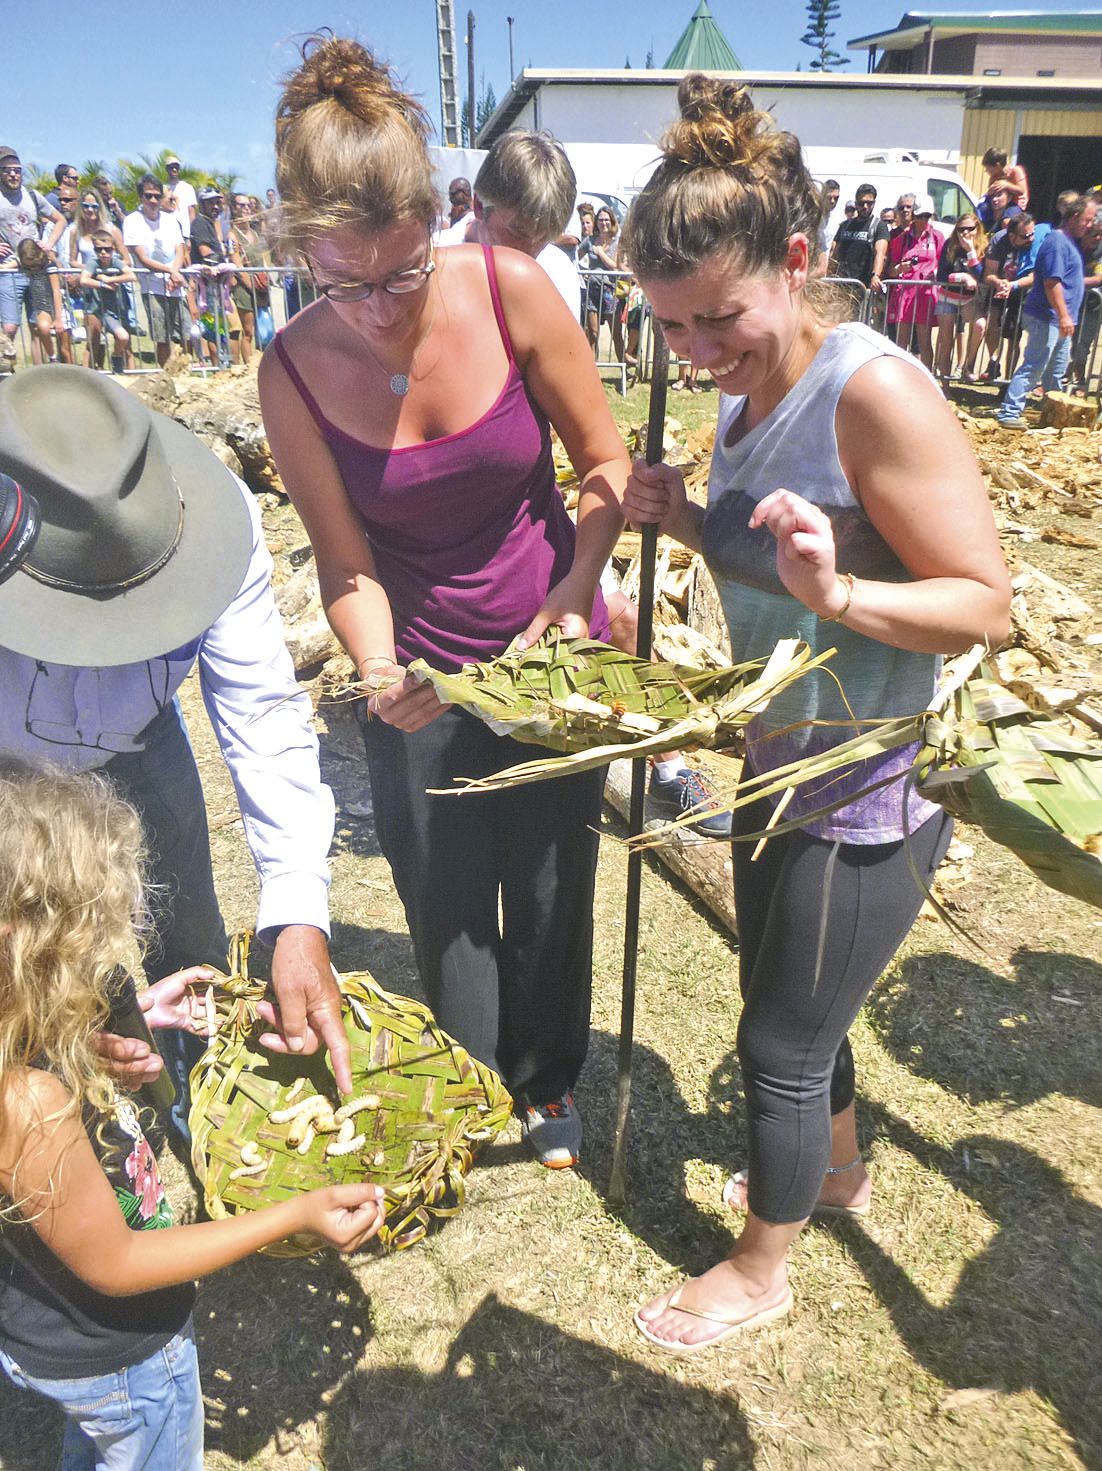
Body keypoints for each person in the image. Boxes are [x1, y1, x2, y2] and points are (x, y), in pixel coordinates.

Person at [621, 74, 1010, 1352]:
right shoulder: (741, 390)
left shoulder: (873, 390)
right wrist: (683, 518)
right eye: (671, 328)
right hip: (777, 759)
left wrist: (837, 589)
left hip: (868, 780)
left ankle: (759, 1264)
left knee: (778, 1038)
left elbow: (982, 604)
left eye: (718, 319)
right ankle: (834, 1173)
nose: (696, 353)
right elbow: (764, 555)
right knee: (797, 997)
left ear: (795, 262)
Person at [259, 34, 628, 1169]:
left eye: (402, 273)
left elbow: (605, 469)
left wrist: (573, 592)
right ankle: (474, 1081)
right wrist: (376, 670)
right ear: (300, 252)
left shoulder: (513, 290)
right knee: (446, 893)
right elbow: (343, 559)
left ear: (439, 215)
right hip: (414, 667)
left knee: (556, 879)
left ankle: (551, 1080)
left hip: (547, 646)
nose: (378, 305)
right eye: (343, 284)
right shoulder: (288, 372)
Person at [0, 762, 384, 1471]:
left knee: (96, 1440)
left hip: (51, 1331)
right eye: (89, 936)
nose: (103, 955)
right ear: (29, 938)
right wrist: (296, 1214)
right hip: (122, 1350)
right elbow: (118, 1262)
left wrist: (137, 1017)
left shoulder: (16, 1024)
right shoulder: (26, 1102)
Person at [0, 365, 352, 1132]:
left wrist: (299, 912)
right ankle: (40, 1119)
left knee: (188, 944)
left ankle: (201, 1105)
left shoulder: (216, 519)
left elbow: (263, 713)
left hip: (142, 745)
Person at [440, 130, 582, 319]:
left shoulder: (558, 271)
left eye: (544, 237)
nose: (531, 253)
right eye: (518, 232)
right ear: (479, 205)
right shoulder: (432, 263)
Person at [997, 192, 1098, 427]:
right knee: (1035, 365)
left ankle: (1055, 418)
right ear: (1073, 216)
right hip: (1048, 317)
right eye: (1088, 219)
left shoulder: (1069, 242)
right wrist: (1063, 315)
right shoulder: (1057, 243)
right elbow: (1052, 282)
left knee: (1056, 371)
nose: (1090, 225)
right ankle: (1009, 413)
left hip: (1060, 319)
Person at [0, 146, 66, 373]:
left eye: (17, 170)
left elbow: (60, 220)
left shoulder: (33, 196)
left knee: (38, 325)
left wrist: (49, 244)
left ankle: (38, 375)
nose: (13, 174)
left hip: (37, 267)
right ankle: (6, 374)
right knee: (9, 327)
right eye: (7, 170)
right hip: (9, 269)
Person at [123, 173, 189, 368]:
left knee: (187, 332)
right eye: (148, 195)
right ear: (140, 197)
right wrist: (171, 272)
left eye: (157, 196)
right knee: (162, 336)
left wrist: (174, 272)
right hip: (152, 287)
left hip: (175, 285)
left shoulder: (170, 220)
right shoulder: (132, 221)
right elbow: (143, 258)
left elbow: (180, 249)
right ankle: (166, 375)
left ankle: (187, 371)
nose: (153, 200)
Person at [71, 187, 133, 370]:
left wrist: (110, 276)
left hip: (114, 290)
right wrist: (92, 271)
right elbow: (72, 260)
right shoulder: (76, 231)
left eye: (94, 206)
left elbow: (126, 259)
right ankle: (90, 376)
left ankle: (126, 373)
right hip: (91, 291)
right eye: (86, 206)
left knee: (123, 337)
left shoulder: (111, 230)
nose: (90, 210)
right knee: (93, 337)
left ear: (100, 207)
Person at [981, 210, 1047, 381]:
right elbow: (988, 273)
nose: (1030, 238)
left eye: (1032, 233)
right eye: (1025, 236)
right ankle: (994, 362)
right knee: (991, 325)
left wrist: (1012, 285)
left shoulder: (1036, 242)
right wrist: (998, 282)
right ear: (1012, 236)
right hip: (1000, 288)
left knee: (1013, 336)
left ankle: (1008, 382)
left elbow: (1034, 276)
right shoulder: (999, 240)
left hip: (1022, 292)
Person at [885, 193, 941, 369]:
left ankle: (926, 378)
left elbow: (943, 264)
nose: (924, 220)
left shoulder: (937, 237)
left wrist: (935, 272)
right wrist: (900, 269)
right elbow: (891, 270)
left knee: (924, 342)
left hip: (925, 295)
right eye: (920, 216)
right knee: (901, 342)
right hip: (904, 294)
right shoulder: (901, 240)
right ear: (914, 216)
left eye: (927, 216)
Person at [934, 212, 988, 384]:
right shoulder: (950, 245)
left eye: (969, 229)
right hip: (947, 296)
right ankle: (945, 383)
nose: (965, 233)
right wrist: (962, 278)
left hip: (969, 299)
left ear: (977, 228)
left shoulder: (983, 246)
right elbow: (942, 274)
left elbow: (982, 275)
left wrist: (971, 251)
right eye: (960, 229)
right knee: (946, 340)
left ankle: (968, 365)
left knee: (980, 325)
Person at [79, 231, 137, 371]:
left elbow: (132, 275)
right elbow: (84, 279)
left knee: (124, 338)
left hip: (114, 310)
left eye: (107, 249)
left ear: (113, 249)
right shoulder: (93, 262)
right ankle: (87, 374)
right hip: (96, 309)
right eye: (99, 249)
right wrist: (102, 284)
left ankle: (117, 358)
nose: (103, 253)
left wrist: (110, 279)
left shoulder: (116, 261)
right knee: (93, 343)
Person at [164, 155, 197, 224]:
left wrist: (189, 231)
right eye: (172, 167)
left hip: (185, 232)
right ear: (167, 169)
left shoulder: (188, 188)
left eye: (176, 167)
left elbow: (192, 213)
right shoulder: (163, 189)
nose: (174, 170)